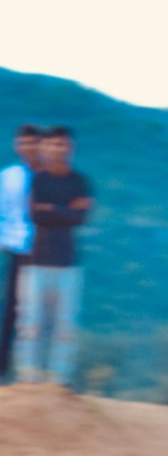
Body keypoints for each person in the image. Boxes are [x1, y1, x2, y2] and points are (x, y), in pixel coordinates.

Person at [16, 126, 91, 385]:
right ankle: (28, 375)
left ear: (70, 148)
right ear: (45, 148)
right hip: (36, 259)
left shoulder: (80, 181)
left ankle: (58, 378)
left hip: (68, 262)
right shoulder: (37, 180)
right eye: (52, 145)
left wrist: (51, 209)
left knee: (65, 325)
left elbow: (80, 217)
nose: (58, 150)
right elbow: (34, 214)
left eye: (62, 145)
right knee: (31, 321)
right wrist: (65, 211)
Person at [0, 124, 41, 378]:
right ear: (18, 146)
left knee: (34, 312)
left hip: (43, 250)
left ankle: (29, 372)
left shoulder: (49, 176)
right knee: (11, 309)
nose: (29, 148)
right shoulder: (9, 176)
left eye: (34, 143)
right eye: (24, 143)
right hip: (15, 249)